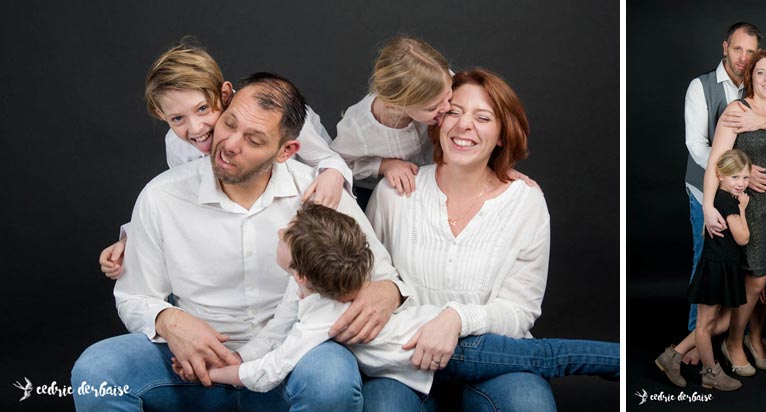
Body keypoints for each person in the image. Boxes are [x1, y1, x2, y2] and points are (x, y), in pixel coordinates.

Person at [71, 73, 408, 412]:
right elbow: (134, 296)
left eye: (254, 139)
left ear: (285, 151)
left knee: (331, 377)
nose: (230, 144)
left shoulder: (320, 192)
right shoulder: (162, 196)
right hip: (195, 364)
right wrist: (169, 321)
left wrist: (386, 291)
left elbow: (384, 275)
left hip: (291, 356)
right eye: (229, 123)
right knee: (98, 370)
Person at [364, 68, 618, 411]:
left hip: (494, 359)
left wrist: (456, 319)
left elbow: (520, 311)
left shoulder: (524, 202)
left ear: (501, 135)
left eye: (483, 117)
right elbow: (368, 282)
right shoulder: (395, 192)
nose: (464, 125)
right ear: (438, 122)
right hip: (404, 362)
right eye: (454, 112)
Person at [197, 203, 619, 394]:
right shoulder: (313, 289)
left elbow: (269, 372)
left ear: (300, 273)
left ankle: (618, 361)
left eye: (285, 234)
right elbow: (272, 338)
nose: (278, 231)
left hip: (458, 349)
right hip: (429, 362)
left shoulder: (318, 315)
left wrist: (214, 376)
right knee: (546, 358)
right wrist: (235, 357)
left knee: (546, 359)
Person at [98, 38, 352, 279]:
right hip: (234, 228)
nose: (196, 128)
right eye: (178, 119)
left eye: (202, 109)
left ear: (225, 95)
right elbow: (180, 198)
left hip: (293, 209)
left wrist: (332, 173)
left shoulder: (280, 118)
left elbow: (328, 158)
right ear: (161, 115)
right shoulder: (177, 146)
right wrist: (133, 236)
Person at [682, 22, 766, 364]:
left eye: (751, 52)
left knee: (752, 278)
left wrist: (765, 124)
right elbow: (699, 146)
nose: (744, 58)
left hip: (759, 205)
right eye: (738, 50)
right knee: (711, 266)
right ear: (725, 47)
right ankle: (699, 348)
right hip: (712, 190)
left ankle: (744, 340)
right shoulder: (702, 88)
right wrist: (737, 177)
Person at [330, 35, 534, 208]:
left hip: (445, 179)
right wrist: (385, 165)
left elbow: (478, 132)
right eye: (433, 108)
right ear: (397, 106)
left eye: (448, 97)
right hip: (389, 194)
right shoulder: (359, 128)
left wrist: (493, 167)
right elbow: (337, 163)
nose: (447, 108)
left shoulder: (439, 83)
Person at [702, 49, 766, 377]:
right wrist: (707, 208)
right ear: (750, 77)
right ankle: (733, 342)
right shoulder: (736, 109)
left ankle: (755, 340)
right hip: (748, 210)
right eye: (760, 72)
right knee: (755, 279)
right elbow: (716, 160)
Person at [656, 149, 751, 391]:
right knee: (705, 325)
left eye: (745, 177)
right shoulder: (727, 201)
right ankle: (711, 373)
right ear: (720, 175)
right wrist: (743, 209)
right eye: (735, 177)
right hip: (716, 268)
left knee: (719, 324)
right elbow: (742, 238)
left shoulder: (724, 197)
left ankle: (672, 355)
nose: (741, 183)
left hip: (727, 267)